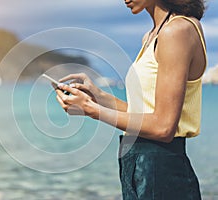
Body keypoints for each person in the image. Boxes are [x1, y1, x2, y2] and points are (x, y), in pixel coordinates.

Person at [54, 0, 207, 199]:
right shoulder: (152, 36)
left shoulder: (177, 31)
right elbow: (145, 114)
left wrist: (92, 110)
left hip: (161, 170)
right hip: (138, 166)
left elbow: (163, 127)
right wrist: (98, 97)